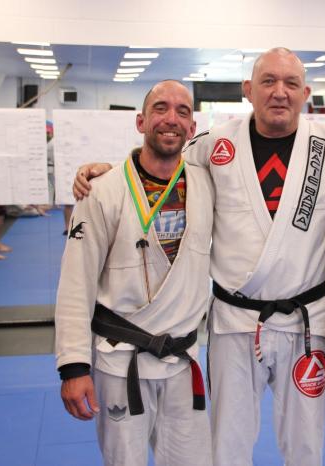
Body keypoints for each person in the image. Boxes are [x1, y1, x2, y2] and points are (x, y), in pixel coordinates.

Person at [74, 48, 325, 466]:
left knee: (305, 446)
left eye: (291, 83)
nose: (279, 92)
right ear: (248, 90)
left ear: (306, 93)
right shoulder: (214, 144)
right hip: (234, 321)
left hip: (305, 322)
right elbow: (158, 159)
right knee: (227, 444)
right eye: (268, 82)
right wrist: (110, 171)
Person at [54, 80, 213, 466]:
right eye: (160, 108)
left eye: (182, 111)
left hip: (182, 359)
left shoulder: (209, 186)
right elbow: (75, 282)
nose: (171, 119)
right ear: (141, 121)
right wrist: (73, 366)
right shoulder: (102, 191)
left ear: (192, 128)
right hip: (120, 359)